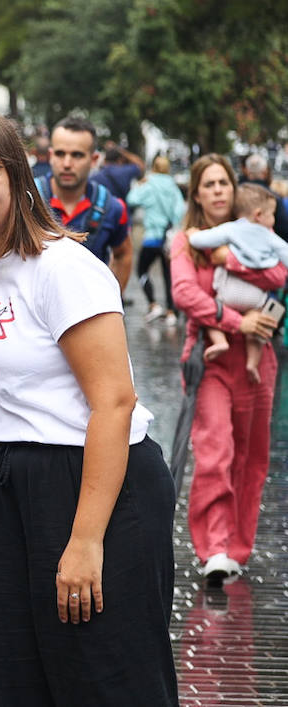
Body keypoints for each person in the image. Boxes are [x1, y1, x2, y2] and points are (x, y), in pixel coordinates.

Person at [0, 110, 177, 706]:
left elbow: (114, 404)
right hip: (7, 486)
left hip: (89, 482)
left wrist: (86, 541)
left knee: (104, 678)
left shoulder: (62, 267)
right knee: (4, 674)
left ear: (17, 178)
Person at [172, 156, 285, 586]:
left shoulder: (257, 234)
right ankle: (215, 548)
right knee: (216, 451)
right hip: (211, 358)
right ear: (197, 193)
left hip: (258, 363)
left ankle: (239, 548)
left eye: (224, 182)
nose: (218, 190)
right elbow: (185, 294)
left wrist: (232, 261)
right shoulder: (185, 241)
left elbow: (278, 274)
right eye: (209, 184)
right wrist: (239, 321)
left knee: (252, 457)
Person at [189, 183, 288, 380]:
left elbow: (202, 240)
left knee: (213, 311)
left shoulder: (231, 229)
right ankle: (252, 363)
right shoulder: (269, 236)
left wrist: (192, 236)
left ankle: (219, 342)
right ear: (259, 214)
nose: (274, 219)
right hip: (256, 298)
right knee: (261, 321)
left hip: (228, 292)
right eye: (272, 214)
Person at [39, 116, 133, 293]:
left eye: (77, 155)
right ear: (51, 156)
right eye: (60, 154)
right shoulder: (26, 200)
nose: (67, 164)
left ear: (94, 159)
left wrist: (109, 303)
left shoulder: (112, 208)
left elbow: (123, 254)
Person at [126, 155, 185, 325]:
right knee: (168, 275)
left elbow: (132, 199)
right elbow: (179, 210)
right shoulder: (173, 185)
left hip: (151, 237)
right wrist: (172, 223)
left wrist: (140, 184)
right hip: (169, 239)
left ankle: (153, 303)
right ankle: (171, 311)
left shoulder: (149, 183)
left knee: (142, 270)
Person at [239, 152, 288, 241]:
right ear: (265, 172)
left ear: (247, 171)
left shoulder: (236, 195)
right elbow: (284, 229)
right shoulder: (273, 197)